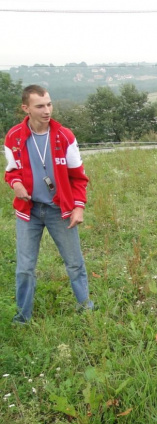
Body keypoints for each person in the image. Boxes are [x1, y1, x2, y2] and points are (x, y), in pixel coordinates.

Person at [4, 85, 93, 324]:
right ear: (26, 108)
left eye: (49, 104)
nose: (47, 110)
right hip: (29, 211)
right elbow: (10, 172)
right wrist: (15, 184)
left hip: (59, 210)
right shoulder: (14, 137)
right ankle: (22, 317)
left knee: (75, 264)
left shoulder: (64, 136)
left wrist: (79, 206)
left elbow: (79, 177)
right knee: (24, 267)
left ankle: (86, 310)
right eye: (40, 106)